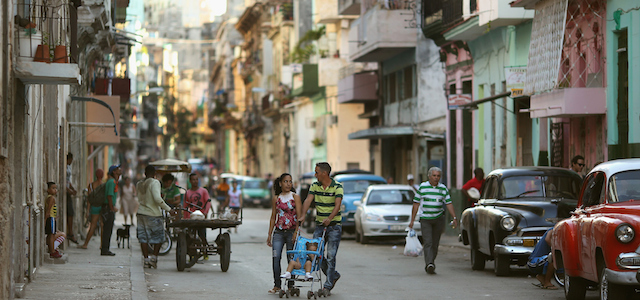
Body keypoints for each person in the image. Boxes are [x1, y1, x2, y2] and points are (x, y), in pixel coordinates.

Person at [300, 162, 343, 295]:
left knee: (331, 256)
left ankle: (327, 286)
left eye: (317, 172)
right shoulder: (315, 185)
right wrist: (302, 216)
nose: (315, 174)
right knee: (315, 254)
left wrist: (329, 218)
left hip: (334, 226)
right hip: (319, 225)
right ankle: (333, 275)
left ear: (324, 173)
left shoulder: (337, 186)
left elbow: (337, 205)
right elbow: (308, 200)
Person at [408, 166, 457, 275]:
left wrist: (454, 217)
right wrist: (412, 220)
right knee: (428, 242)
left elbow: (448, 203)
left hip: (438, 219)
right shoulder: (422, 187)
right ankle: (429, 263)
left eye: (438, 176)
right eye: (434, 176)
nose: (436, 178)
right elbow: (416, 204)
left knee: (435, 243)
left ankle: (431, 261)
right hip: (425, 219)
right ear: (429, 176)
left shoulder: (443, 189)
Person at [267, 173, 302, 294]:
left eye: (290, 181)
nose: (288, 184)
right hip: (278, 233)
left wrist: (296, 233)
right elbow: (273, 217)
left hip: (291, 232)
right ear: (280, 183)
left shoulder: (295, 197)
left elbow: (299, 216)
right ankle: (277, 285)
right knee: (276, 257)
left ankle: (291, 285)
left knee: (290, 259)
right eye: (286, 181)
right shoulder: (276, 198)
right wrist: (269, 234)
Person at [137, 165, 173, 268]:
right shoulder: (155, 182)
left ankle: (146, 260)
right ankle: (154, 258)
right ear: (154, 174)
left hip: (141, 213)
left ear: (145, 173)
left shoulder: (139, 184)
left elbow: (139, 197)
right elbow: (157, 199)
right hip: (153, 214)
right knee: (159, 237)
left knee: (143, 238)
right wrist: (169, 209)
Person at [80, 169, 104, 249]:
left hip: (94, 207)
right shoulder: (104, 185)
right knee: (102, 225)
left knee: (92, 226)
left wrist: (87, 210)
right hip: (102, 207)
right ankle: (102, 245)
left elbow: (89, 199)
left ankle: (85, 244)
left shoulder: (91, 185)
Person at [184, 173, 211, 244]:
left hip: (201, 217)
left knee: (202, 235)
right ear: (190, 181)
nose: (195, 181)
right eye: (193, 180)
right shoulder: (187, 193)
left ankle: (205, 251)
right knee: (190, 236)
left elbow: (208, 202)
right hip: (192, 218)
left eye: (196, 179)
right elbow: (185, 207)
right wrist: (185, 218)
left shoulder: (204, 191)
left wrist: (205, 212)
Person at [101, 164, 121, 256]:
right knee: (107, 229)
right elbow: (109, 196)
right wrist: (111, 208)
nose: (119, 170)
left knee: (107, 229)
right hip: (108, 208)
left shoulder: (113, 181)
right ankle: (105, 249)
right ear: (114, 172)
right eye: (118, 169)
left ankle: (105, 248)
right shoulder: (112, 182)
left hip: (108, 207)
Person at [45, 182, 66, 258]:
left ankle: (52, 249)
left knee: (52, 234)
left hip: (52, 217)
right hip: (51, 218)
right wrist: (45, 219)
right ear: (48, 189)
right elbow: (48, 210)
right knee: (51, 234)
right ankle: (52, 251)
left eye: (55, 188)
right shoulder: (51, 198)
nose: (55, 190)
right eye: (53, 188)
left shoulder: (50, 198)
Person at [65, 153, 79, 244]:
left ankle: (70, 232)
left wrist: (72, 188)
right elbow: (62, 180)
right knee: (70, 212)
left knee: (71, 213)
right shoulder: (64, 167)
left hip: (68, 191)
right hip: (66, 192)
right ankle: (70, 232)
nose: (71, 162)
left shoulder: (68, 167)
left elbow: (68, 181)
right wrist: (68, 190)